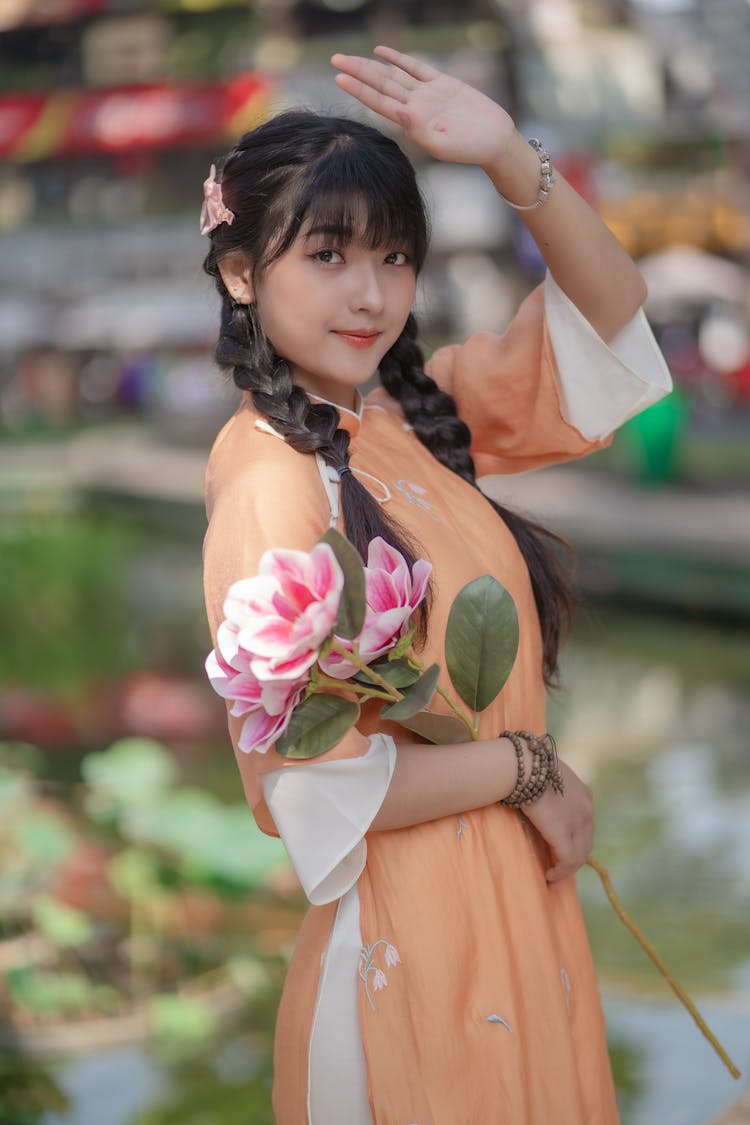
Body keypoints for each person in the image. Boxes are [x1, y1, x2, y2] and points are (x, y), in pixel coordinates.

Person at [201, 46, 671, 1125]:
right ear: (241, 270)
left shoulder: (411, 419)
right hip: (405, 949)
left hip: (514, 914)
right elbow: (304, 788)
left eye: (396, 259)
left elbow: (610, 323)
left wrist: (510, 157)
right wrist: (526, 766)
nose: (371, 296)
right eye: (328, 255)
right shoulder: (271, 475)